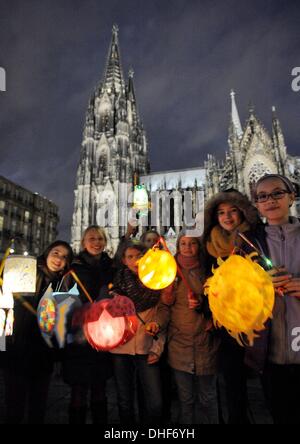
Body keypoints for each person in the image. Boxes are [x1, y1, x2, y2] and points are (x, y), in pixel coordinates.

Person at [243, 174, 300, 424]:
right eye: (262, 196)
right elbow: (237, 293)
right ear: (256, 204)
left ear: (292, 196)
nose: (271, 200)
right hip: (272, 354)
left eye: (278, 193)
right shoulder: (248, 243)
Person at [149, 232, 219, 424]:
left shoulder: (211, 270)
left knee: (208, 399)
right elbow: (164, 308)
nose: (188, 247)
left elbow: (222, 302)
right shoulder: (169, 272)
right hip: (180, 345)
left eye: (193, 243)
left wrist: (209, 314)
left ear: (200, 245)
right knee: (185, 400)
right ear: (177, 246)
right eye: (183, 243)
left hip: (205, 343)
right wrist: (157, 323)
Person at [202, 190, 260, 424]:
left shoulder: (256, 239)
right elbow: (208, 284)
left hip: (258, 319)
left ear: (243, 212)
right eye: (221, 212)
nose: (227, 217)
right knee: (232, 383)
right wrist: (207, 310)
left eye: (232, 211)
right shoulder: (209, 245)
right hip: (225, 323)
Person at [4, 240, 73, 424]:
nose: (59, 259)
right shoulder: (27, 270)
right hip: (19, 347)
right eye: (56, 253)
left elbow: (61, 324)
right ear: (47, 253)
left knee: (38, 406)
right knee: (14, 406)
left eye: (64, 257)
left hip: (44, 353)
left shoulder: (63, 285)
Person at [63, 226, 114, 424]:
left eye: (100, 238)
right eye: (92, 238)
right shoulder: (73, 267)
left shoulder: (110, 266)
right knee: (79, 389)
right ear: (83, 242)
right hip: (79, 336)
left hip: (104, 333)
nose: (96, 242)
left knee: (100, 388)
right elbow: (63, 300)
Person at [111, 240, 164, 425]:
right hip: (120, 348)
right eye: (130, 257)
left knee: (155, 403)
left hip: (147, 347)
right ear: (124, 261)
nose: (135, 261)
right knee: (124, 401)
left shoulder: (158, 281)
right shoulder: (116, 286)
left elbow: (162, 316)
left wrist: (157, 347)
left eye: (139, 256)